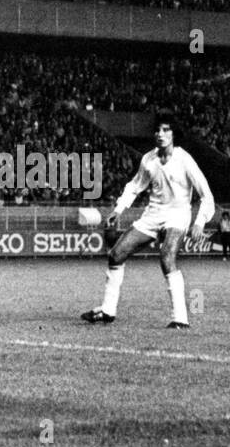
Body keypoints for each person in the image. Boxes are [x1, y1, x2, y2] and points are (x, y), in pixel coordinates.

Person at [81, 118, 214, 329]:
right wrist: (118, 210)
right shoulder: (148, 160)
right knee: (116, 254)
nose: (160, 134)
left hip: (178, 215)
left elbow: (207, 196)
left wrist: (200, 222)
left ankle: (180, 318)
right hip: (153, 214)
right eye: (157, 130)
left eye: (166, 129)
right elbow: (135, 186)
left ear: (173, 134)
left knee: (167, 257)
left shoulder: (184, 160)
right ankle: (107, 311)